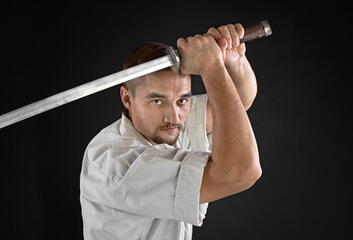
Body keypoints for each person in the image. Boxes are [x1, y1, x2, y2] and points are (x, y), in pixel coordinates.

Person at [80, 23, 262, 240]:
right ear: (127, 98)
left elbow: (238, 100)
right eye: (157, 101)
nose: (174, 117)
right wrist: (212, 68)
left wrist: (232, 60)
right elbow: (242, 171)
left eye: (182, 100)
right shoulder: (118, 163)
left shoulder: (163, 124)